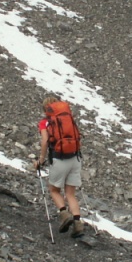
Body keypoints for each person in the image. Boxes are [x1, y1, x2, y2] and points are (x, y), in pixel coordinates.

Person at [32, 95, 85, 238]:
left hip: (59, 158)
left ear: (46, 109)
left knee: (54, 190)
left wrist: (41, 160)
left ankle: (64, 214)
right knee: (70, 194)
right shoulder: (68, 118)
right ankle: (78, 223)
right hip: (75, 157)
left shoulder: (45, 122)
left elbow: (45, 141)